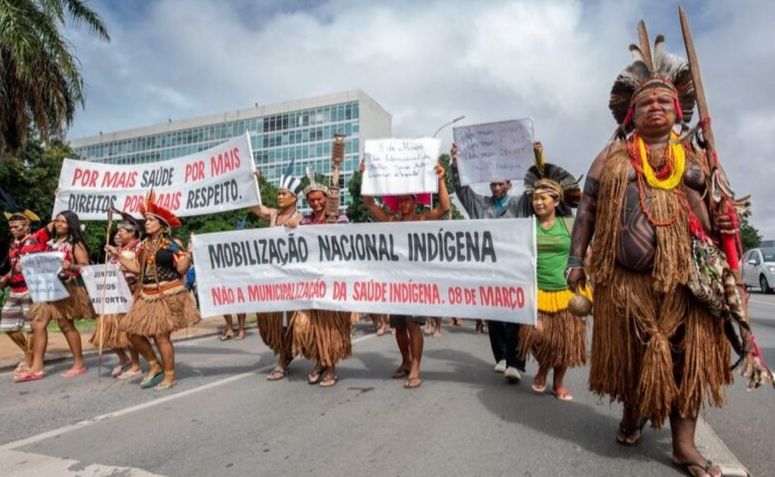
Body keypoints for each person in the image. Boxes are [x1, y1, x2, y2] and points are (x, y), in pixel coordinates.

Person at [567, 27, 738, 476]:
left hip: (687, 285)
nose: (656, 107)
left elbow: (720, 212)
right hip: (626, 283)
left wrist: (723, 224)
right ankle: (630, 412)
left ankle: (684, 445)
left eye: (664, 102)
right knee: (629, 358)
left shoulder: (696, 158)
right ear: (632, 113)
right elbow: (585, 209)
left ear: (678, 110)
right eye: (647, 103)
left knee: (689, 362)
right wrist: (574, 260)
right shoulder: (612, 156)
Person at [361, 160, 450, 389]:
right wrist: (366, 176)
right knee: (399, 326)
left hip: (417, 282)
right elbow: (369, 203)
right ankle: (405, 361)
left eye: (407, 200)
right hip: (396, 282)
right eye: (399, 200)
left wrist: (440, 179)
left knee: (413, 325)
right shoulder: (391, 220)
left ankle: (416, 368)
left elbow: (445, 208)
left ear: (414, 202)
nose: (403, 204)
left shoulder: (423, 220)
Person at [450, 142, 531, 382]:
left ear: (509, 184)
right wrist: (455, 163)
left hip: (515, 269)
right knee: (494, 314)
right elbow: (461, 190)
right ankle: (502, 358)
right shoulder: (481, 205)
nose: (496, 187)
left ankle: (516, 364)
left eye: (501, 184)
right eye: (493, 184)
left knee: (515, 316)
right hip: (490, 270)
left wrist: (537, 157)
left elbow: (540, 189)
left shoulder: (521, 203)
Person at [108, 193, 200, 390]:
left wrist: (190, 255)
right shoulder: (143, 246)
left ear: (162, 224)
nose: (147, 223)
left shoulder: (172, 244)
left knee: (161, 336)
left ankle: (169, 375)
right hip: (146, 295)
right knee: (131, 332)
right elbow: (136, 268)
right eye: (146, 220)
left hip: (167, 294)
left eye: (151, 220)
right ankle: (153, 364)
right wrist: (117, 255)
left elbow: (182, 269)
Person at [516, 166, 589, 401]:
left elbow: (586, 252)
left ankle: (558, 384)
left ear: (556, 201)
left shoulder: (569, 224)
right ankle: (542, 368)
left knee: (564, 344)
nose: (538, 203)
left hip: (567, 291)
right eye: (535, 199)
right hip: (537, 290)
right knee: (535, 334)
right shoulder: (528, 227)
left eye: (543, 198)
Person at [290, 174, 352, 387]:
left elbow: (347, 244)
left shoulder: (341, 218)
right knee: (308, 326)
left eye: (319, 199)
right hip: (310, 283)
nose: (316, 203)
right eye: (311, 200)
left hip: (332, 283)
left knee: (328, 328)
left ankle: (330, 366)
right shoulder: (305, 221)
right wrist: (291, 227)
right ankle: (320, 361)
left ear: (327, 197)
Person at [250, 167, 303, 381]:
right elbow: (254, 207)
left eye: (283, 193)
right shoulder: (273, 214)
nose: (279, 196)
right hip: (272, 278)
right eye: (278, 193)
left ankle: (285, 357)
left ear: (294, 197)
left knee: (291, 320)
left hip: (293, 278)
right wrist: (255, 182)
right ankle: (284, 354)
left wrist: (297, 226)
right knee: (275, 320)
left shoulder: (300, 218)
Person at [28, 210, 95, 379]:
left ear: (71, 224)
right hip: (47, 288)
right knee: (37, 323)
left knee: (66, 325)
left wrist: (70, 266)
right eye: (57, 221)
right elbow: (33, 242)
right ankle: (37, 367)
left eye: (63, 222)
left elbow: (85, 266)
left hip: (66, 289)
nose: (59, 224)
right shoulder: (50, 243)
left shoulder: (76, 244)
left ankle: (79, 363)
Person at [89, 212, 142, 380]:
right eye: (117, 231)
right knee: (107, 330)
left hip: (131, 293)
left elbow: (138, 269)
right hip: (113, 295)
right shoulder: (117, 249)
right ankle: (123, 358)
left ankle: (136, 365)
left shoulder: (140, 247)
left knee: (129, 333)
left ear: (132, 232)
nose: (118, 234)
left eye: (123, 231)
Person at [0, 209, 48, 382]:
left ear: (27, 226)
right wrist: (6, 277)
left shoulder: (36, 239)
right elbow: (14, 267)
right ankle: (28, 353)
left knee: (31, 328)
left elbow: (40, 262)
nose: (12, 229)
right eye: (11, 227)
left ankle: (30, 361)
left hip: (31, 289)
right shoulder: (14, 244)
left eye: (16, 226)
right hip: (15, 289)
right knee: (8, 325)